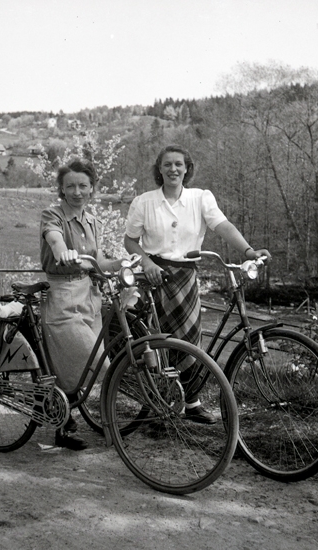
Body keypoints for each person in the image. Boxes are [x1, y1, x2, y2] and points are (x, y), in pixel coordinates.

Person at [124, 144, 271, 424]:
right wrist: (146, 263)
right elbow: (130, 240)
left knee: (191, 339)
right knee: (159, 341)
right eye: (167, 164)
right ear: (159, 169)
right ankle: (160, 401)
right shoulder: (144, 202)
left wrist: (248, 251)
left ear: (187, 169)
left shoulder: (200, 198)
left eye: (178, 164)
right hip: (155, 277)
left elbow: (223, 226)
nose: (173, 169)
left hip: (186, 277)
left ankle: (191, 402)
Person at [40, 159, 125, 450]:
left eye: (83, 186)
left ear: (91, 189)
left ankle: (63, 423)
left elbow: (97, 261)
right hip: (62, 294)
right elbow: (54, 239)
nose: (77, 192)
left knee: (84, 364)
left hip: (89, 296)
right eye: (71, 186)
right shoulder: (53, 214)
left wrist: (121, 263)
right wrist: (63, 252)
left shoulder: (92, 221)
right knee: (94, 359)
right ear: (62, 189)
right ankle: (72, 419)